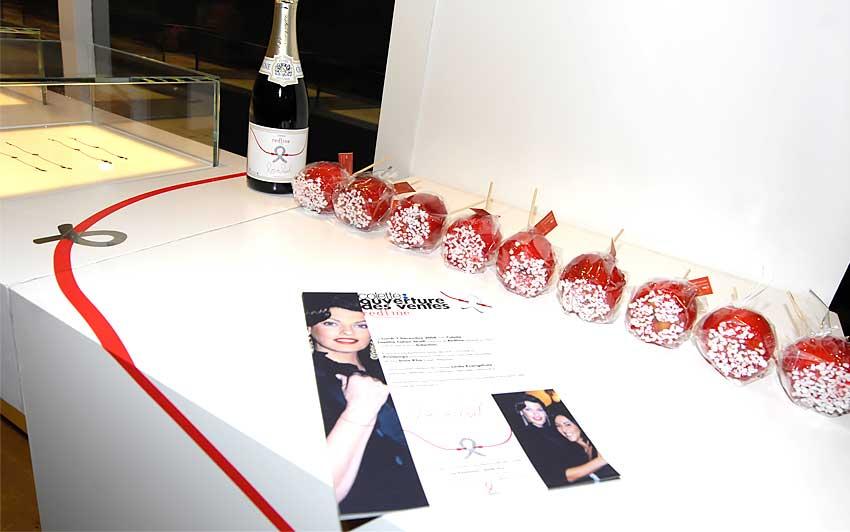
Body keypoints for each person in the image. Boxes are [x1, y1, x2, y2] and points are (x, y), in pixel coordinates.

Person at [303, 293, 428, 514]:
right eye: (331, 323)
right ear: (309, 327)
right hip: (366, 504)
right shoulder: (310, 379)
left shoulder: (393, 369)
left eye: (361, 325)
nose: (347, 332)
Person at [553, 413, 618, 484]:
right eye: (558, 426)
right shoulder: (570, 450)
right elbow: (565, 476)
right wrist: (601, 460)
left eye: (568, 424)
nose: (564, 430)